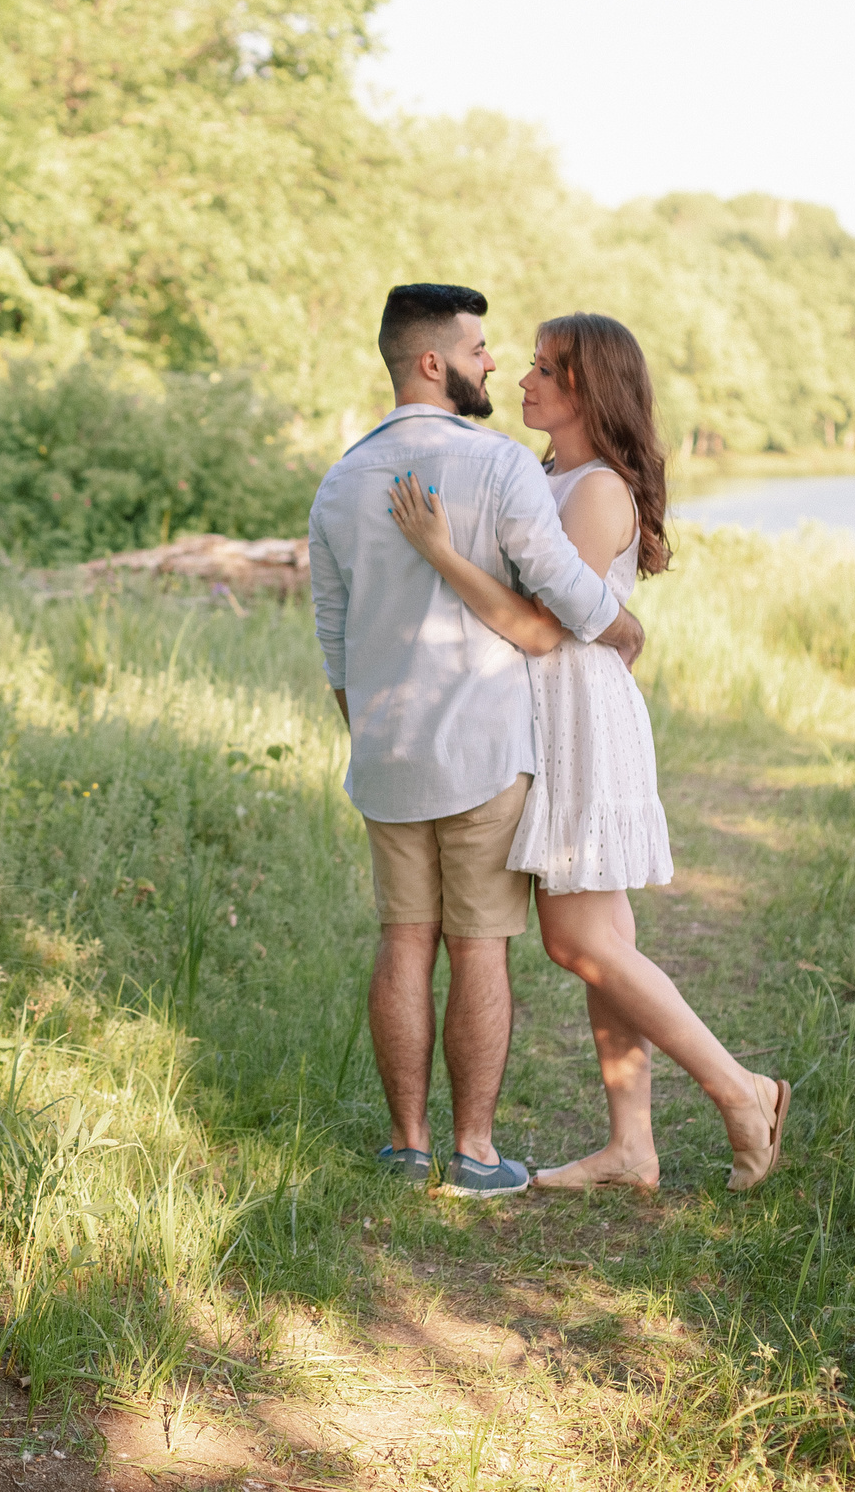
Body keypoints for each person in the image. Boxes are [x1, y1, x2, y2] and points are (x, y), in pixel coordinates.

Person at [385, 312, 787, 1191]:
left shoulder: (598, 488)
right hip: (549, 709)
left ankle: (741, 1088)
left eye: (545, 370)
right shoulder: (547, 474)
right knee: (607, 937)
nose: (524, 381)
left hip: (581, 713)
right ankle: (630, 1146)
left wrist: (441, 551)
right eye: (527, 364)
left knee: (578, 940)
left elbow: (541, 624)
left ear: (587, 389)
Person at [309, 285, 648, 1198]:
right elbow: (565, 593)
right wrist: (623, 629)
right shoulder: (499, 468)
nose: (493, 362)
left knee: (404, 940)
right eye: (480, 347)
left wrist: (371, 731)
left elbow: (334, 641)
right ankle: (474, 1151)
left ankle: (405, 1144)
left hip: (386, 753)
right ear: (434, 362)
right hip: (486, 754)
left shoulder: (340, 482)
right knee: (481, 947)